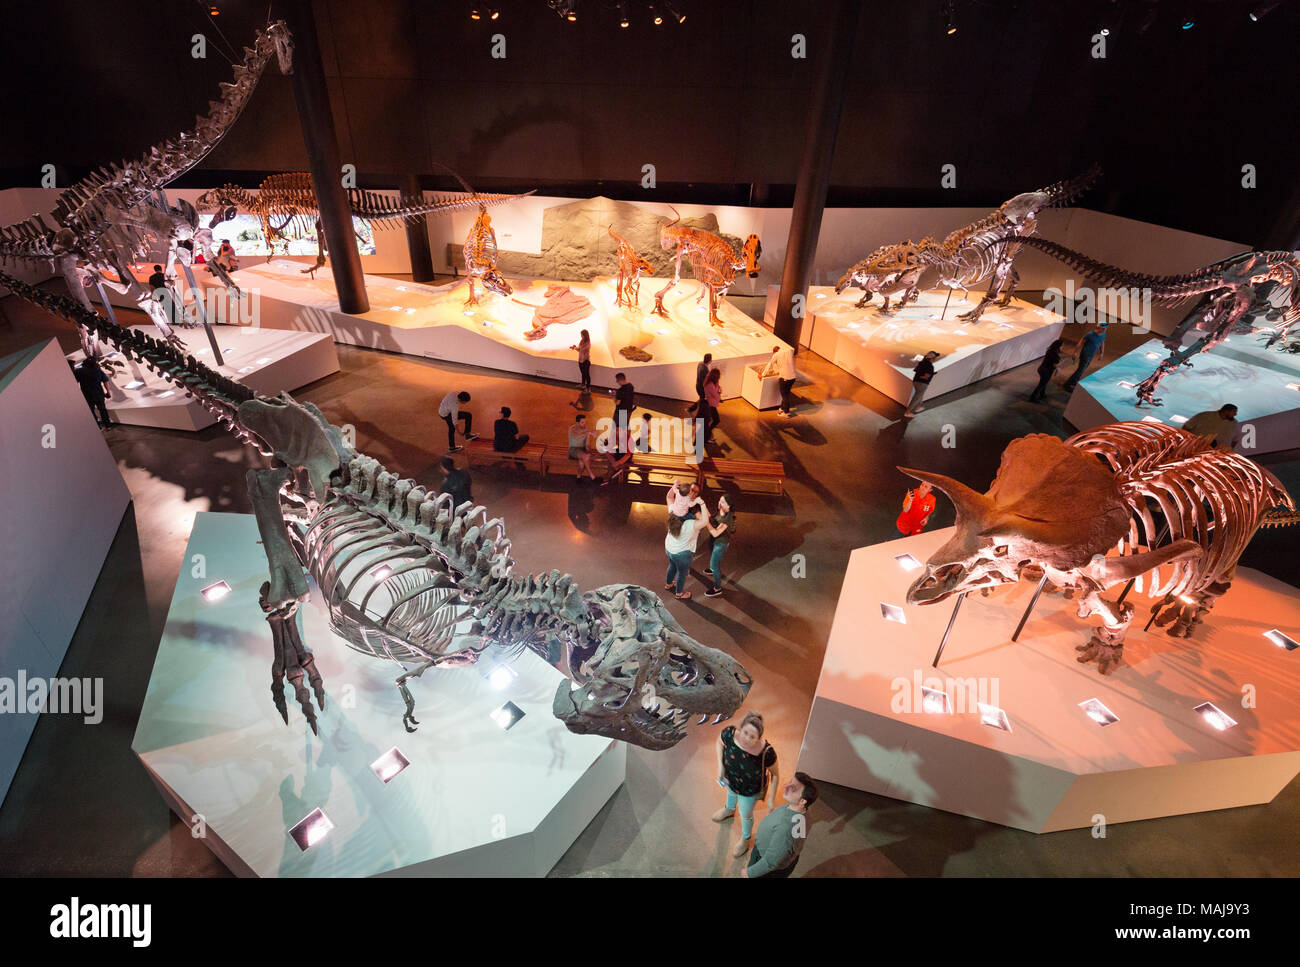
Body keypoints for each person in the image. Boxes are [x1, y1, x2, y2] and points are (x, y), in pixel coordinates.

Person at [714, 711, 779, 858]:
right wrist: (721, 766)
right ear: (740, 729)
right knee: (730, 794)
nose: (747, 739)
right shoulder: (730, 734)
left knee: (745, 814)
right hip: (731, 779)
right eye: (745, 733)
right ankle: (729, 810)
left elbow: (776, 775)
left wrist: (771, 799)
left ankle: (745, 838)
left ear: (759, 738)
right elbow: (718, 743)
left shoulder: (766, 752)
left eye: (752, 736)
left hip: (749, 790)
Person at [743, 773, 818, 878]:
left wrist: (750, 873)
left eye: (793, 788)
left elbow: (771, 861)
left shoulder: (786, 828)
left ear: (802, 801)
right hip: (784, 858)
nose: (787, 786)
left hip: (767, 866)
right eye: (790, 783)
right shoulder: (804, 811)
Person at [664, 506, 704, 599]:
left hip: (670, 548)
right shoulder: (692, 523)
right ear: (694, 513)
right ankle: (679, 594)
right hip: (681, 554)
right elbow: (705, 520)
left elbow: (669, 497)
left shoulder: (674, 514)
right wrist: (702, 504)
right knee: (682, 573)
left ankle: (668, 584)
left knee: (672, 565)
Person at [703, 494, 734, 597]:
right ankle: (713, 569)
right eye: (720, 500)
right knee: (715, 561)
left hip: (720, 544)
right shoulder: (721, 511)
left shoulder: (728, 518)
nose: (720, 503)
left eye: (723, 502)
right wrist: (704, 507)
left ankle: (717, 588)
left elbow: (715, 533)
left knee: (715, 565)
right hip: (715, 542)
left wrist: (705, 521)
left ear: (729, 506)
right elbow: (713, 520)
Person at [1062, 323, 1107, 391]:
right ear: (1099, 328)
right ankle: (1068, 385)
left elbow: (1102, 342)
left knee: (1082, 370)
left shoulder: (1103, 334)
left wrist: (1101, 353)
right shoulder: (1090, 335)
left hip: (1091, 355)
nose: (1105, 330)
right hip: (1085, 355)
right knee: (1080, 370)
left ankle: (1071, 383)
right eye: (1103, 328)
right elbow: (1080, 343)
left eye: (1105, 328)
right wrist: (1075, 352)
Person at [74, 356, 113, 428]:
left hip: (87, 395)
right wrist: (108, 392)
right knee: (102, 410)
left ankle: (97, 427)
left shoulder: (79, 371)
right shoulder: (98, 370)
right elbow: (105, 381)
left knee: (91, 412)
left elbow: (74, 382)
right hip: (99, 394)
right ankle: (108, 426)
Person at [761, 344, 797, 416]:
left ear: (774, 352)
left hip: (785, 378)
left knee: (784, 396)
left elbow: (770, 364)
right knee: (787, 393)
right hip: (793, 377)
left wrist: (762, 375)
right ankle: (782, 408)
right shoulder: (789, 351)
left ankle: (786, 413)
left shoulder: (776, 355)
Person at [904, 351, 939, 418]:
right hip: (922, 383)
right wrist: (930, 374)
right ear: (932, 358)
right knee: (917, 398)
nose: (936, 359)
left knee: (920, 396)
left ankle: (918, 407)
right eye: (935, 357)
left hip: (916, 382)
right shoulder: (930, 366)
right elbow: (925, 376)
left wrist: (931, 374)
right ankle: (907, 412)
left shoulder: (922, 363)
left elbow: (917, 371)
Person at [1029, 338, 1064, 402]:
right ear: (1059, 346)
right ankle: (1033, 397)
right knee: (1041, 384)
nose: (1062, 347)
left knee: (1043, 383)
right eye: (1062, 346)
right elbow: (1054, 365)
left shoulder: (1050, 350)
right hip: (1047, 371)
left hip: (1041, 369)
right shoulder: (1055, 354)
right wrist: (1059, 367)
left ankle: (1042, 394)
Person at [567, 413, 597, 482]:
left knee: (582, 463)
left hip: (582, 449)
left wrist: (589, 451)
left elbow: (587, 444)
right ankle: (592, 476)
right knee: (585, 457)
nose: (584, 424)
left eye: (585, 422)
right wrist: (588, 432)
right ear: (577, 423)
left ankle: (578, 477)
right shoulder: (572, 428)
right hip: (573, 449)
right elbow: (576, 436)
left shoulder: (586, 429)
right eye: (582, 422)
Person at [702, 367, 722, 442]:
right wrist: (719, 392)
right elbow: (715, 395)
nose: (719, 377)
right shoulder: (710, 385)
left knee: (711, 420)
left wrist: (717, 387)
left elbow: (716, 391)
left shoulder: (712, 383)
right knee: (716, 420)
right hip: (711, 405)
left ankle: (709, 434)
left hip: (711, 404)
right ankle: (707, 435)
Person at [569, 329, 592, 394]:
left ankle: (588, 388)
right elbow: (579, 349)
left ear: (585, 335)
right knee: (583, 374)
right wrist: (574, 347)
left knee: (587, 375)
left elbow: (581, 349)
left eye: (582, 335)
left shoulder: (588, 343)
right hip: (580, 360)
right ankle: (583, 385)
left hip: (586, 361)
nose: (581, 336)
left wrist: (575, 347)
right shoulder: (582, 341)